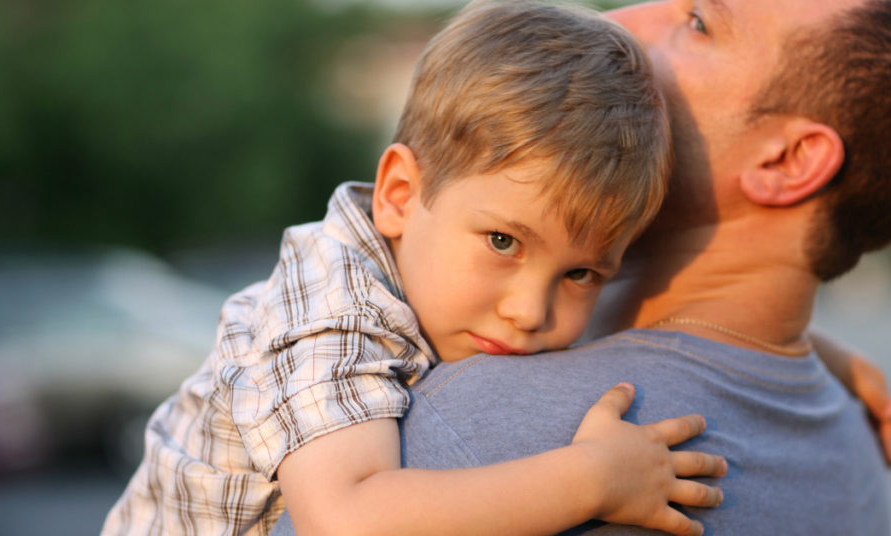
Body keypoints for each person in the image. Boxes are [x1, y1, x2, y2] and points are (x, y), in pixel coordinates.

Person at [102, 2, 732, 535]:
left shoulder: (444, 273)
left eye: (580, 275)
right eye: (503, 242)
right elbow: (346, 519)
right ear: (400, 193)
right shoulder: (333, 309)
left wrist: (820, 359)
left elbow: (663, 293)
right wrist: (592, 479)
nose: (529, 312)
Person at [369, 0, 891, 534]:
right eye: (503, 241)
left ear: (787, 161)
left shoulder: (472, 432)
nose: (615, 21)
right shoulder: (861, 448)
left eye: (698, 24)